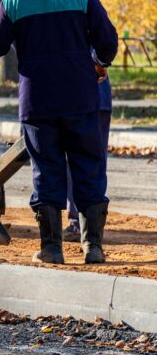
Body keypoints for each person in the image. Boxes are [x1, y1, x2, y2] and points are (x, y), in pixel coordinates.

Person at [0, 0, 118, 264]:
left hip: (38, 101)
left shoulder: (15, 0)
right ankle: (93, 246)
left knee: (47, 170)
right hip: (80, 97)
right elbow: (107, 40)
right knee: (88, 167)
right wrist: (99, 62)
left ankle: (51, 248)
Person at [64, 75, 112, 244]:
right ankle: (93, 227)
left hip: (74, 98)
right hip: (100, 97)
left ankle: (79, 224)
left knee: (74, 163)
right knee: (96, 162)